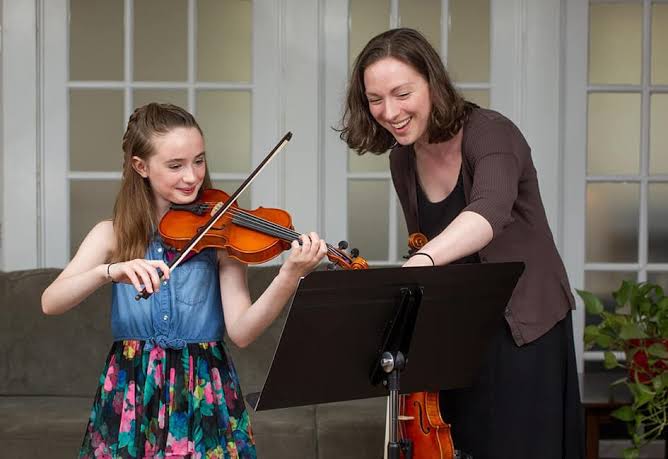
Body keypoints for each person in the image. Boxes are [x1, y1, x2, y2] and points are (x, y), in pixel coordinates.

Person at [339, 28, 584, 459]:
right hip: (460, 332)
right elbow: (427, 239)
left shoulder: (491, 133)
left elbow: (488, 212)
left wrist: (423, 260)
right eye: (375, 99)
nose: (389, 111)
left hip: (523, 327)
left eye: (401, 93)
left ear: (432, 83)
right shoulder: (402, 158)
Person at [41, 102, 327, 458]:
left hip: (204, 388)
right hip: (132, 388)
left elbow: (242, 331)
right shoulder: (111, 235)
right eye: (175, 165)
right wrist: (109, 271)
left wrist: (290, 274)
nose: (192, 176)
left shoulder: (222, 235)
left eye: (199, 160)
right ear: (140, 166)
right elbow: (51, 302)